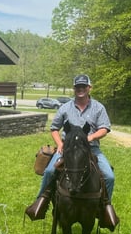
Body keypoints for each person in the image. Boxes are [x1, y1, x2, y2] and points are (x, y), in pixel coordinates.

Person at [25, 73, 115, 220]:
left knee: (109, 177)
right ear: (74, 88)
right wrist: (60, 144)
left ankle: (104, 207)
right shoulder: (65, 108)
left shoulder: (98, 108)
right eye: (77, 87)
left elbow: (104, 128)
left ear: (89, 88)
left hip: (91, 149)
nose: (80, 89)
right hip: (67, 149)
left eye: (83, 86)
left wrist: (90, 137)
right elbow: (54, 128)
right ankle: (40, 203)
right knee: (49, 171)